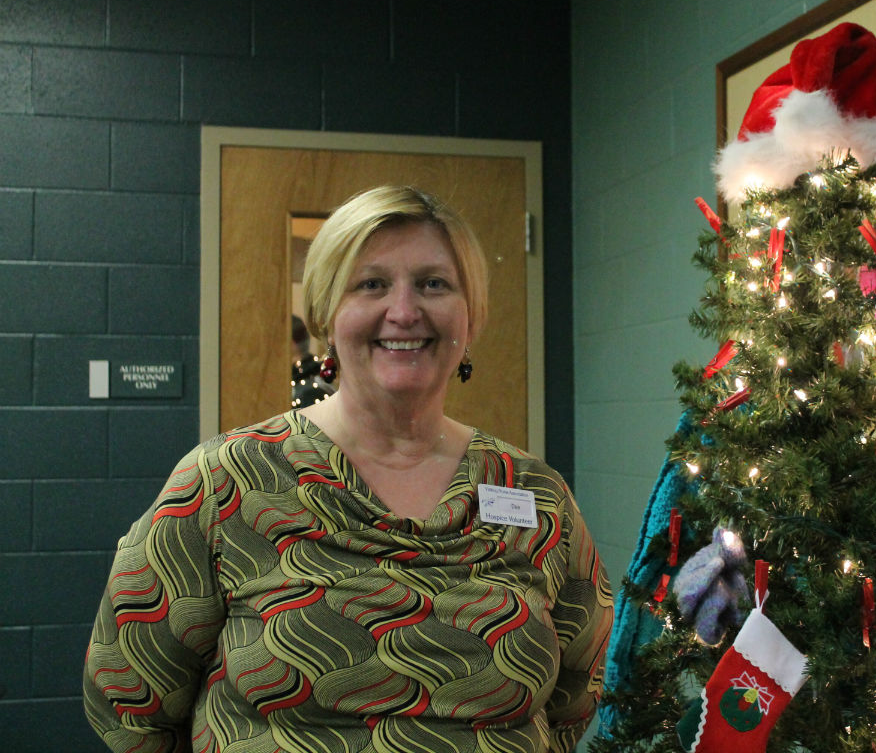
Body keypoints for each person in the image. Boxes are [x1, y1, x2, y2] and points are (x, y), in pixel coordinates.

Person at [84, 185, 613, 753]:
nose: (405, 311)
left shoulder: (533, 493)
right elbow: (127, 700)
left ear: (471, 314)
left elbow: (576, 697)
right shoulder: (225, 482)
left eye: (434, 283)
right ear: (326, 313)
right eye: (372, 284)